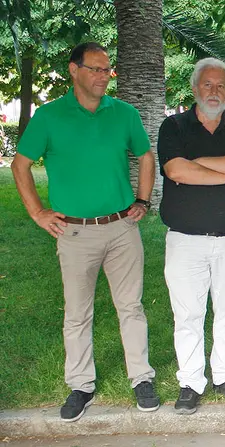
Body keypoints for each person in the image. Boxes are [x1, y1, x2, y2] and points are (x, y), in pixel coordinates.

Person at [11, 42, 160, 422]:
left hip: (122, 227)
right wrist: (37, 213)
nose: (103, 76)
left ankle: (141, 378)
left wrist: (142, 201)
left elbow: (145, 155)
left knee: (132, 307)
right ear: (73, 70)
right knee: (77, 313)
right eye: (95, 69)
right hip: (75, 233)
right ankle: (81, 385)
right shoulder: (49, 116)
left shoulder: (123, 113)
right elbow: (21, 165)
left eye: (107, 69)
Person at [157, 58, 225, 414]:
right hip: (185, 239)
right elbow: (176, 171)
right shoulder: (173, 126)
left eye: (220, 85)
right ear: (194, 88)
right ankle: (190, 381)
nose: (214, 91)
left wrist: (198, 163)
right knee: (187, 314)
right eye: (207, 84)